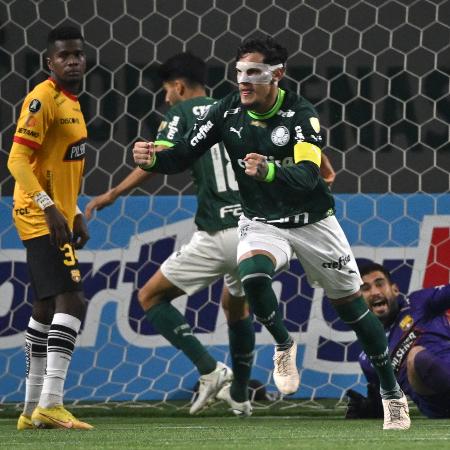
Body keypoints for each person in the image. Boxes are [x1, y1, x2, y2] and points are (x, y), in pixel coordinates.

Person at [133, 37, 410, 430]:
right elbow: (182, 154)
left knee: (353, 312)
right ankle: (283, 344)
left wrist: (270, 170)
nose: (243, 81)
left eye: (254, 73)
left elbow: (310, 175)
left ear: (276, 75)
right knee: (253, 273)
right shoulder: (226, 110)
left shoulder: (302, 114)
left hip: (313, 223)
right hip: (262, 222)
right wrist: (154, 156)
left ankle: (390, 393)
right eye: (239, 73)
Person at [86, 53, 254, 417]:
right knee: (236, 306)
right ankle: (240, 393)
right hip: (254, 232)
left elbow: (155, 161)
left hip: (218, 234)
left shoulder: (182, 113)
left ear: (178, 86)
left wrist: (113, 193)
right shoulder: (236, 109)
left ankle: (210, 369)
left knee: (149, 297)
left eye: (166, 91)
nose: (166, 99)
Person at [7, 25, 93, 430]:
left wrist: (72, 210)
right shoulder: (42, 99)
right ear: (50, 62)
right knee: (73, 301)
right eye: (64, 55)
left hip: (55, 215)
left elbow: (63, 164)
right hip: (38, 215)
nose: (72, 60)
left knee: (45, 306)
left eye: (77, 54)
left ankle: (29, 410)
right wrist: (49, 209)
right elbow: (17, 161)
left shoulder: (74, 102)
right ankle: (52, 402)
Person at [346, 262, 450, 419]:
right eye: (365, 288)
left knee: (416, 355)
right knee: (416, 357)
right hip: (435, 406)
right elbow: (389, 398)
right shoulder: (367, 357)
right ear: (359, 300)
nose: (374, 292)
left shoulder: (418, 302)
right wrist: (375, 407)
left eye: (380, 284)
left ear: (395, 290)